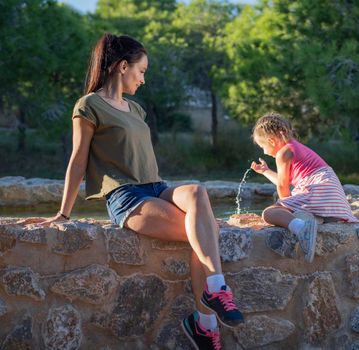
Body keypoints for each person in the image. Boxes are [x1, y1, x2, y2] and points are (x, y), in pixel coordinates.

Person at [27, 33, 243, 350]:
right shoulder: (89, 106)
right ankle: (205, 322)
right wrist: (63, 212)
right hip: (127, 196)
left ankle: (213, 292)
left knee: (197, 192)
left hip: (156, 187)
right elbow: (78, 160)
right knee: (200, 232)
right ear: (122, 66)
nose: (143, 80)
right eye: (141, 71)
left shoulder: (136, 110)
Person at [250, 113, 359, 262]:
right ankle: (312, 220)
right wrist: (265, 171)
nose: (263, 151)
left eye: (263, 147)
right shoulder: (295, 147)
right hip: (332, 199)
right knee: (294, 210)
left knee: (269, 213)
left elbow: (283, 187)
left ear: (271, 141)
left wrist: (285, 208)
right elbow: (285, 181)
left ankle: (303, 229)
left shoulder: (283, 153)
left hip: (318, 190)